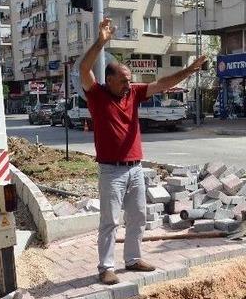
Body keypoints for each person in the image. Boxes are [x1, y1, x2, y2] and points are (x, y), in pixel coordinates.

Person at [79, 17, 206, 285]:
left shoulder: (133, 94)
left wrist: (188, 70)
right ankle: (106, 267)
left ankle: (133, 259)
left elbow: (163, 83)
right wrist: (100, 43)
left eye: (130, 80)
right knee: (110, 221)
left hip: (135, 167)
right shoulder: (97, 95)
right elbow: (84, 68)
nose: (128, 84)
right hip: (111, 170)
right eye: (123, 80)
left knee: (138, 217)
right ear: (109, 80)